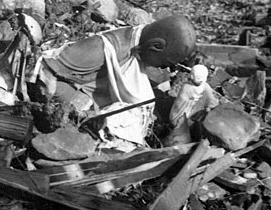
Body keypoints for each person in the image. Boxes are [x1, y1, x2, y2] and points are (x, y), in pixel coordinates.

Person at [35, 14, 198, 114]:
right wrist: (81, 103)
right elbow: (43, 74)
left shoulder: (136, 46)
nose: (165, 69)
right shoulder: (101, 49)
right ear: (155, 46)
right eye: (164, 64)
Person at [163, 63, 219, 146]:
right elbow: (182, 101)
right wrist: (194, 99)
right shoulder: (186, 86)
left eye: (202, 78)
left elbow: (211, 100)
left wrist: (211, 105)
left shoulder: (206, 87)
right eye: (198, 77)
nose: (200, 80)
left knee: (198, 126)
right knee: (180, 127)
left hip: (197, 113)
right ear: (192, 76)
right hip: (184, 112)